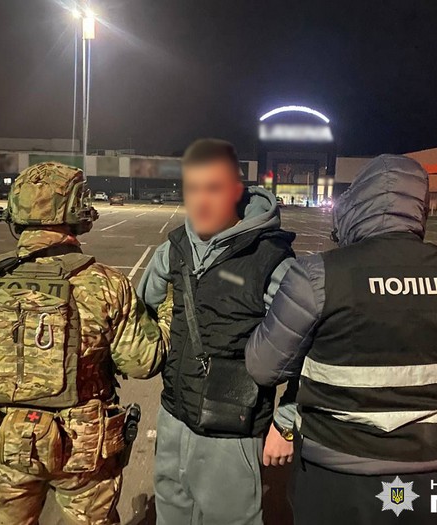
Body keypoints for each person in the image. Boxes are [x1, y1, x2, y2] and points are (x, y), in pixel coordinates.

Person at [245, 155, 437, 524]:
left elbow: (263, 366)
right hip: (431, 473)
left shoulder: (319, 275)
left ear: (357, 205)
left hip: (337, 473)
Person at [0, 162, 172, 525]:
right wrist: (171, 308)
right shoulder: (105, 284)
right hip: (82, 451)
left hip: (5, 443)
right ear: (78, 212)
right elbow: (142, 362)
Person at [138, 138, 296, 525]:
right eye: (193, 189)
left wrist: (287, 422)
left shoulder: (271, 260)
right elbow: (139, 312)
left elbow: (309, 348)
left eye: (213, 189)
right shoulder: (173, 250)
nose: (201, 202)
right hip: (174, 419)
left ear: (237, 191)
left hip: (233, 432)